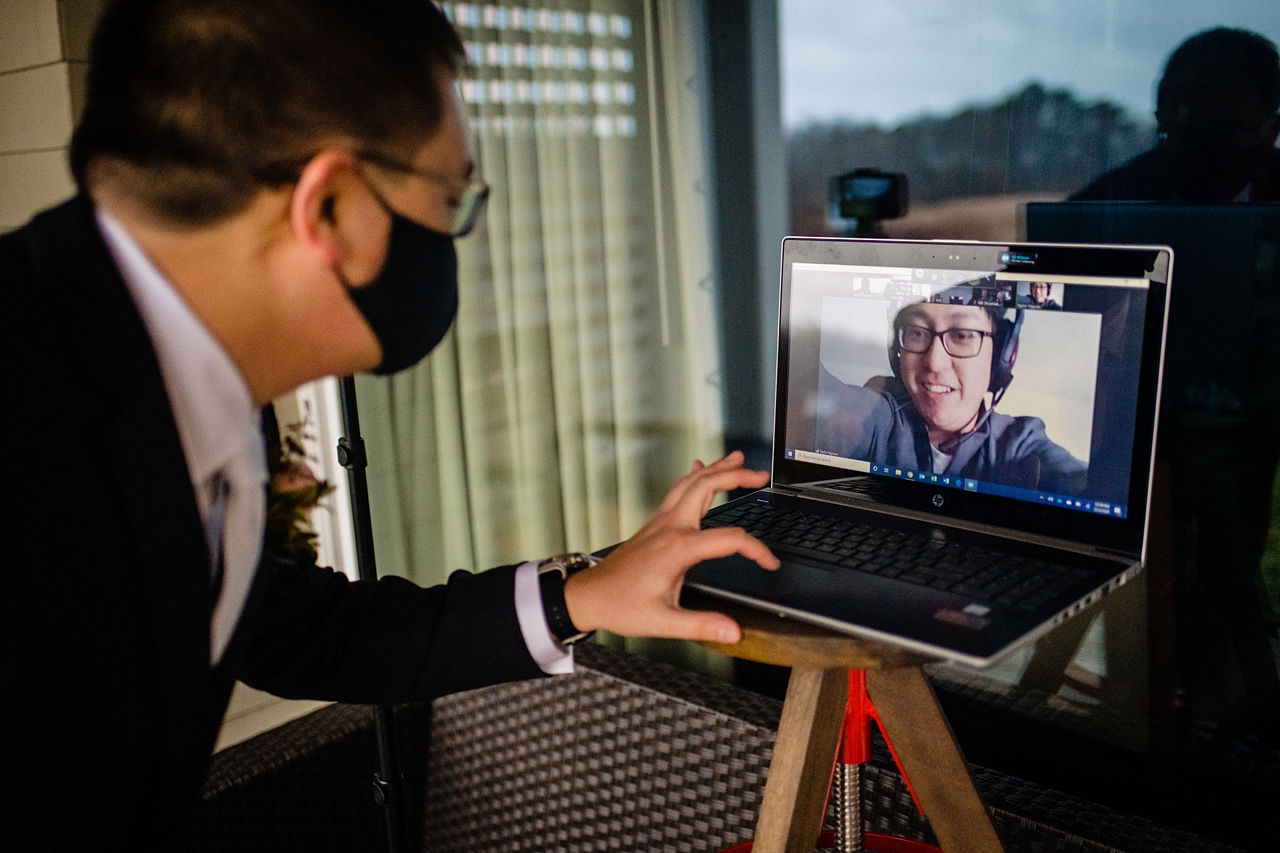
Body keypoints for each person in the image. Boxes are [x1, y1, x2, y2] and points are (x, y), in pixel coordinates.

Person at [0, 0, 778, 846]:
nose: (452, 238)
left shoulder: (202, 374)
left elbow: (286, 628)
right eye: (450, 199)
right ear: (329, 205)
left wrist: (583, 593)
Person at [815, 301, 1086, 494]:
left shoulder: (1019, 443)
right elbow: (825, 403)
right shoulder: (881, 409)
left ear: (1004, 356)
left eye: (962, 335)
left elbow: (1083, 483)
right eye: (918, 332)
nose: (934, 362)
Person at [1070, 28, 1280, 202]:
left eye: (1224, 138)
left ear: (1272, 131)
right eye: (1185, 136)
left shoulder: (1106, 205)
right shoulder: (1106, 203)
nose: (1203, 155)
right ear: (1160, 120)